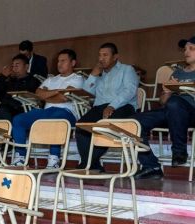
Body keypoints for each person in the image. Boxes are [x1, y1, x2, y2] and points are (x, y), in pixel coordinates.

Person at [133, 36, 195, 179]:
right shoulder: (177, 73)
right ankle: (151, 166)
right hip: (171, 112)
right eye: (185, 49)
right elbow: (162, 101)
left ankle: (179, 151)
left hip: (191, 113)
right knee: (134, 122)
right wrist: (167, 91)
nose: (186, 52)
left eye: (191, 49)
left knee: (175, 103)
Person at [11, 49, 84, 168]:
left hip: (66, 113)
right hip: (46, 111)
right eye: (58, 61)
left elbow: (63, 98)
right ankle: (20, 157)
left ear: (73, 63)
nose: (59, 64)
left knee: (55, 119)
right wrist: (56, 91)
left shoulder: (77, 79)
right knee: (18, 119)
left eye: (63, 61)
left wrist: (47, 96)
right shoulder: (51, 79)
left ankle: (54, 159)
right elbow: (39, 93)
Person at [76, 43, 139, 171]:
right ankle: (93, 164)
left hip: (123, 106)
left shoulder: (127, 70)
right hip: (100, 107)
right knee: (81, 126)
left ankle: (87, 163)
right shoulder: (100, 74)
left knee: (104, 128)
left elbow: (129, 91)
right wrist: (93, 75)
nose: (101, 59)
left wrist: (112, 106)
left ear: (115, 57)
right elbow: (86, 92)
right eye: (99, 55)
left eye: (105, 55)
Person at [0, 53, 42, 119]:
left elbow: (26, 99)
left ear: (26, 67)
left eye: (17, 66)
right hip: (2, 110)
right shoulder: (10, 80)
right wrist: (3, 77)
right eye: (13, 66)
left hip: (19, 111)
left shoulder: (33, 81)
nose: (14, 69)